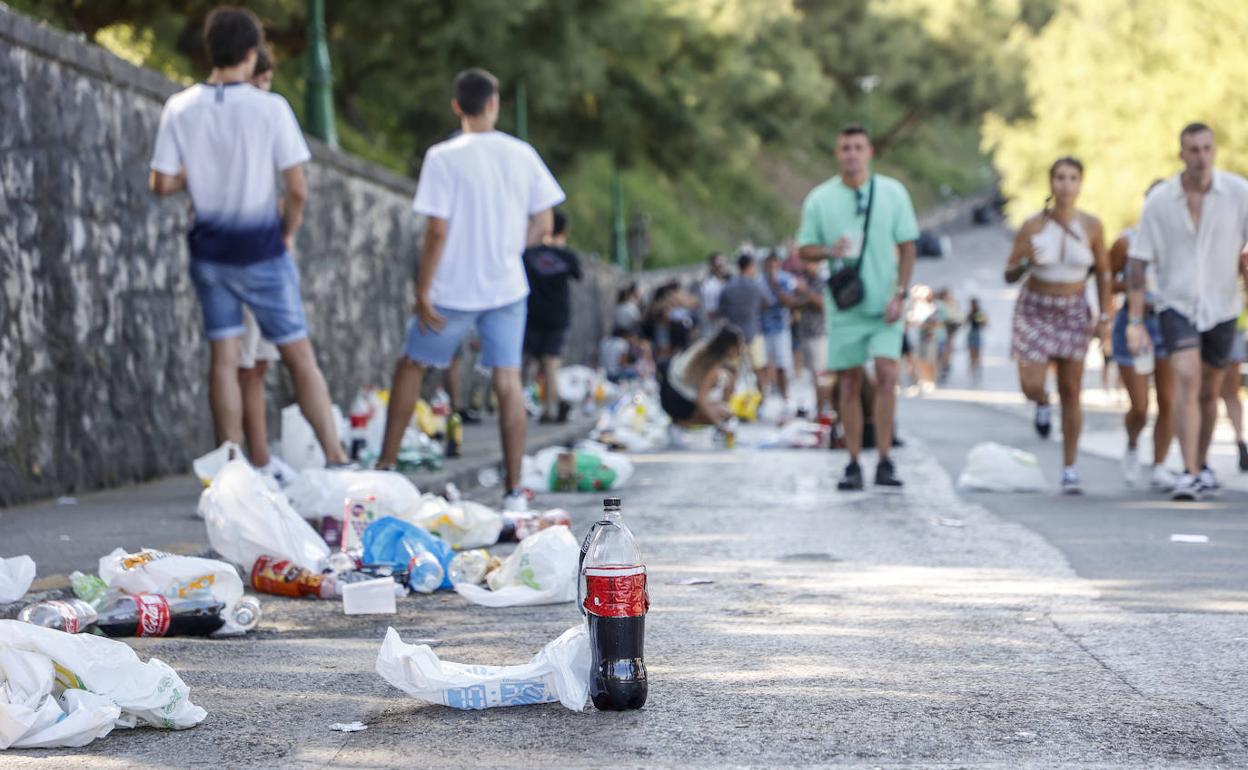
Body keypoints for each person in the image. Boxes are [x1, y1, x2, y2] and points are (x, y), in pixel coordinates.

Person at [149, 7, 348, 466]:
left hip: (209, 252)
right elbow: (297, 188)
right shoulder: (270, 109)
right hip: (263, 251)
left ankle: (230, 468)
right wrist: (287, 229)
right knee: (299, 356)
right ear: (250, 52)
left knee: (224, 357)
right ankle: (336, 459)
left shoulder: (179, 107)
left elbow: (160, 184)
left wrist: (195, 176)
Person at [375, 68, 565, 510]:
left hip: (452, 290)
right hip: (505, 288)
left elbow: (436, 231)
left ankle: (385, 467)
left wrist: (423, 289)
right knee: (508, 381)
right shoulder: (522, 154)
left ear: (457, 106)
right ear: (494, 104)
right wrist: (509, 248)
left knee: (412, 366)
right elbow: (545, 223)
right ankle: (515, 489)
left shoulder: (443, 157)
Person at [1127, 123, 1248, 501]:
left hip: (1223, 304)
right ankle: (1189, 472)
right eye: (1192, 150)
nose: (1200, 157)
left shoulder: (1238, 193)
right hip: (1175, 303)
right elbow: (1137, 263)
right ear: (1181, 154)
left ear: (1215, 150)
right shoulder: (1160, 201)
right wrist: (1133, 321)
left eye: (1207, 148)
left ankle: (1202, 460)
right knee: (1187, 378)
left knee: (1211, 391)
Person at [797, 124, 919, 489]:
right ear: (837, 154)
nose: (851, 154)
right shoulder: (820, 199)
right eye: (845, 147)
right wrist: (828, 250)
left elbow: (909, 245)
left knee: (885, 374)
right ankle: (852, 461)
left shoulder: (893, 193)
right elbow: (804, 249)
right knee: (848, 383)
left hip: (886, 305)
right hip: (846, 305)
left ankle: (884, 458)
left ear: (869, 153)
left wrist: (901, 292)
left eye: (858, 147)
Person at [1004, 157, 1112, 493]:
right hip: (1036, 306)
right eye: (1060, 178)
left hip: (1073, 308)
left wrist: (1104, 317)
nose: (1066, 185)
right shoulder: (1032, 226)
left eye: (1073, 178)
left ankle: (1069, 468)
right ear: (1051, 183)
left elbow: (1104, 274)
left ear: (1081, 184)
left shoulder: (1092, 225)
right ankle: (1040, 402)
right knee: (1031, 383)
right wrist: (1025, 263)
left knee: (1072, 390)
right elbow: (1008, 274)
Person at [1109, 182, 1176, 490]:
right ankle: (1133, 444)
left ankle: (1160, 465)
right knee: (1140, 405)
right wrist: (1136, 285)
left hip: (1169, 323)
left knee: (1168, 400)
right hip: (1134, 323)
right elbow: (1108, 283)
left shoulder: (1182, 242)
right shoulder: (1127, 241)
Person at [523, 210, 581, 423]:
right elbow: (577, 274)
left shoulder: (529, 254)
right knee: (551, 363)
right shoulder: (568, 256)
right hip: (557, 315)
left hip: (532, 313)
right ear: (564, 230)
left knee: (526, 362)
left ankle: (519, 405)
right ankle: (551, 408)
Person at [659, 325, 744, 428]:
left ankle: (678, 423)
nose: (740, 350)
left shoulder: (702, 345)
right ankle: (680, 424)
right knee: (726, 413)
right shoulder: (712, 365)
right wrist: (721, 426)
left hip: (666, 390)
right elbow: (701, 400)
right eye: (738, 346)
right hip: (678, 400)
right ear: (730, 347)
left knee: (724, 388)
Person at [717, 253, 769, 392]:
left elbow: (721, 312)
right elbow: (767, 302)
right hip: (754, 332)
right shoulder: (756, 285)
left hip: (734, 336)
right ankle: (761, 402)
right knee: (759, 370)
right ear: (750, 266)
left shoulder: (728, 287)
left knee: (732, 372)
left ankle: (729, 403)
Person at [761, 252, 802, 406]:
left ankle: (785, 397)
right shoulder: (759, 280)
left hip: (780, 328)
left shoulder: (785, 279)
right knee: (763, 365)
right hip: (763, 329)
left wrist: (775, 286)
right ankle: (766, 396)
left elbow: (791, 301)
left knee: (782, 365)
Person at [794, 260, 833, 416]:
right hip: (806, 333)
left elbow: (823, 304)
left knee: (822, 376)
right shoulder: (804, 282)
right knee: (813, 376)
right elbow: (795, 304)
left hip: (820, 334)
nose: (806, 266)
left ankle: (823, 410)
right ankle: (819, 409)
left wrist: (807, 293)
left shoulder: (822, 283)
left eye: (810, 263)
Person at [700, 252, 729, 325]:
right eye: (719, 265)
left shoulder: (728, 280)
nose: (722, 266)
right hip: (717, 327)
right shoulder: (709, 285)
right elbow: (710, 313)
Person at [965, 297, 987, 384]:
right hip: (972, 333)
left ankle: (976, 370)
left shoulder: (978, 313)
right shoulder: (971, 313)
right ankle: (973, 371)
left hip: (976, 333)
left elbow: (983, 324)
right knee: (971, 354)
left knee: (977, 354)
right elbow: (965, 323)